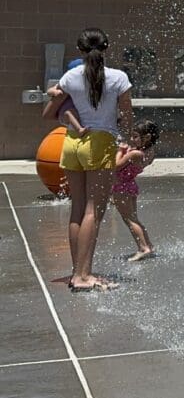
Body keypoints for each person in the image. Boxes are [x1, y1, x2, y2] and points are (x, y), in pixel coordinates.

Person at [44, 28, 132, 292]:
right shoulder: (118, 78)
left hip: (71, 143)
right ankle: (83, 276)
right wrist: (125, 137)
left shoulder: (71, 76)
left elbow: (54, 98)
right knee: (95, 210)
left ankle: (79, 272)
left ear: (80, 50)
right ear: (106, 48)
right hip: (100, 142)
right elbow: (126, 112)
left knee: (78, 209)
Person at [111, 120, 161, 262]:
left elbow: (115, 166)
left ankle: (143, 248)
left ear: (146, 138)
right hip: (130, 185)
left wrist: (120, 150)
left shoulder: (135, 154)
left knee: (129, 219)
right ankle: (148, 245)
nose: (131, 139)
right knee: (134, 219)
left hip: (121, 187)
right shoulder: (149, 153)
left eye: (135, 137)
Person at [42, 58, 88, 136]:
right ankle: (79, 129)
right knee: (69, 113)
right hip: (65, 111)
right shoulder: (65, 84)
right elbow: (50, 90)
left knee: (74, 114)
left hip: (75, 114)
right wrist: (55, 92)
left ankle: (80, 129)